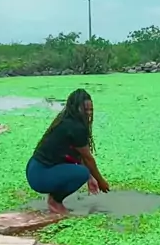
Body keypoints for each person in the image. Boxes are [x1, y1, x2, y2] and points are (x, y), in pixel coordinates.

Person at [26, 88, 110, 216]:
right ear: (75, 108)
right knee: (82, 173)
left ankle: (54, 197)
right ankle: (55, 202)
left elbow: (79, 155)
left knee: (83, 172)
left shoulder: (64, 121)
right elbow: (88, 158)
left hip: (34, 169)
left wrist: (90, 178)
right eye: (85, 110)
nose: (88, 114)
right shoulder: (75, 127)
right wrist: (100, 181)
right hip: (40, 175)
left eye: (91, 110)